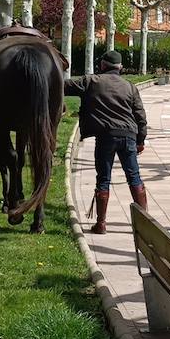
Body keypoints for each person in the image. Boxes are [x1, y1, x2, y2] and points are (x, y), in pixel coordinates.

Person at [65, 50, 149, 234]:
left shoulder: (90, 81)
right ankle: (144, 225)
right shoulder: (130, 87)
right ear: (120, 67)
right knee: (134, 177)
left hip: (106, 137)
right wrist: (141, 139)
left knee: (103, 178)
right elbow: (140, 116)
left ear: (102, 65)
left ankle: (101, 224)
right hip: (128, 136)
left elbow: (63, 86)